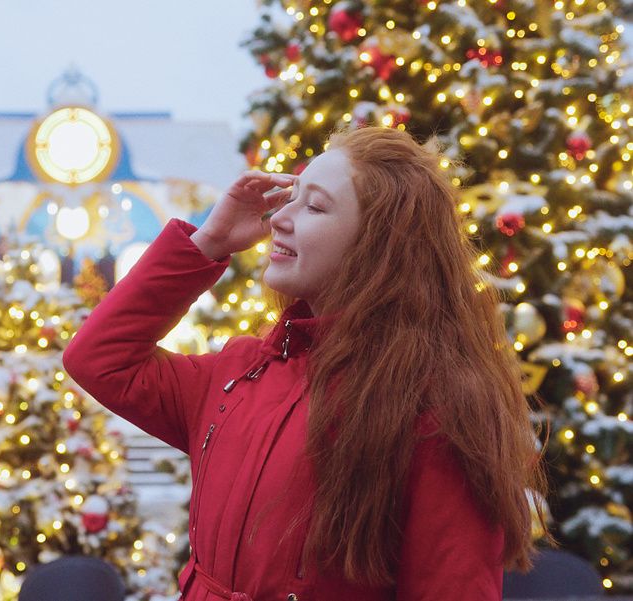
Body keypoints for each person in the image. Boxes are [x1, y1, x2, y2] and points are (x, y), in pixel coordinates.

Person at [62, 126, 554, 601]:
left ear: (380, 245)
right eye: (290, 197)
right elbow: (98, 358)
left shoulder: (434, 409)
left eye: (315, 206)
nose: (278, 217)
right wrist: (209, 240)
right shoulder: (239, 373)